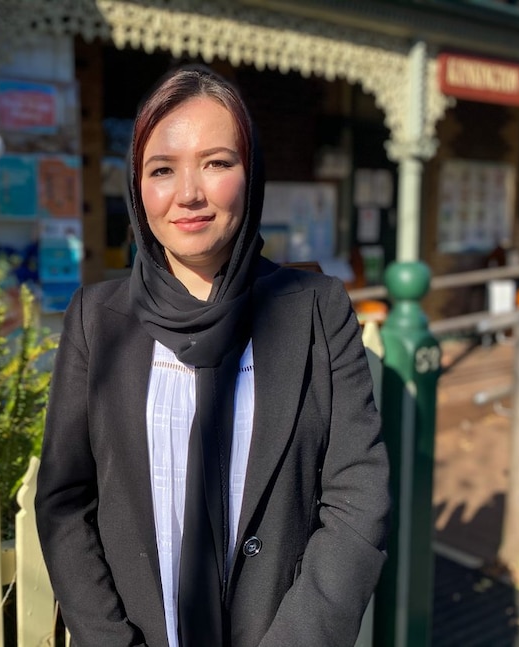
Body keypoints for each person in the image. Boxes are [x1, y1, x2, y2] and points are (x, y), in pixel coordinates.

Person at [35, 64, 390, 647]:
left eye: (218, 163)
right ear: (136, 188)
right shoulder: (97, 321)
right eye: (162, 170)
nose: (189, 193)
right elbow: (65, 501)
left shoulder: (316, 310)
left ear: (251, 174)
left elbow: (358, 493)